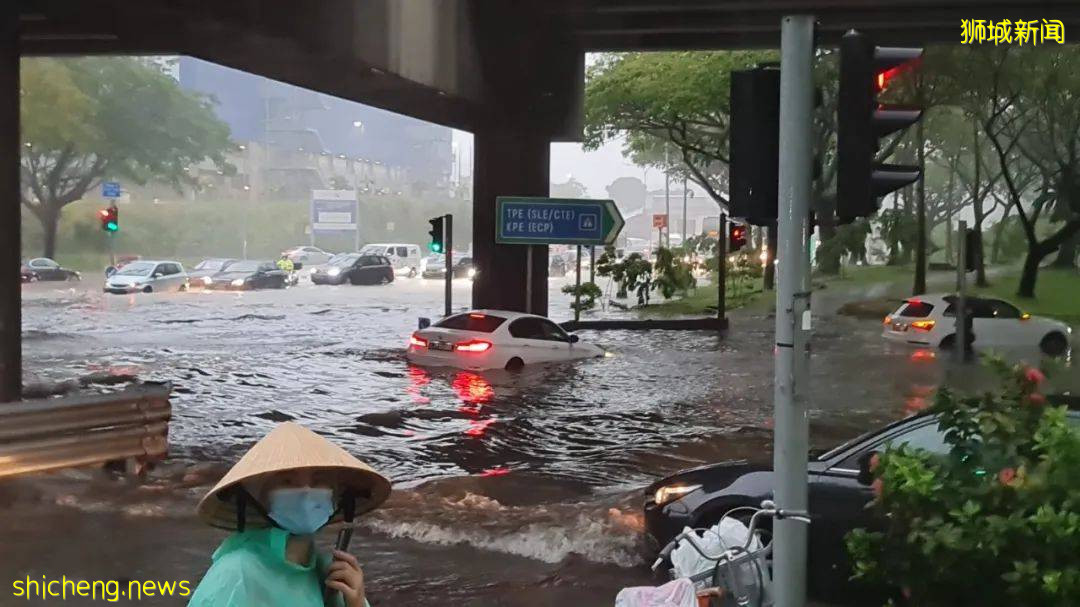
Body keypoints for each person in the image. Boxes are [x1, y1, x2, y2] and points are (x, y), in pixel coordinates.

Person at [189, 422, 392, 607]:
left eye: (318, 480)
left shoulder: (329, 573)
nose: (306, 491)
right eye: (287, 481)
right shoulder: (236, 573)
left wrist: (355, 601)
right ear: (261, 498)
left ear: (336, 495)